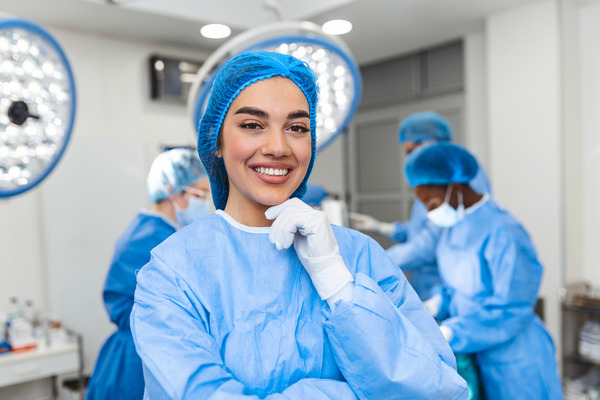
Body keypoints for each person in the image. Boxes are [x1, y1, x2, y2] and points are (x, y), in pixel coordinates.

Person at [129, 51, 468, 399]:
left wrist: (340, 288)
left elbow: (441, 389)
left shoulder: (358, 255)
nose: (278, 147)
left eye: (297, 128)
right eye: (252, 125)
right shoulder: (173, 273)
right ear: (216, 140)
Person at [404, 142, 563, 400]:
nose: (431, 213)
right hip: (480, 353)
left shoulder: (504, 231)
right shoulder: (453, 227)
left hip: (515, 358)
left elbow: (512, 308)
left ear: (454, 188)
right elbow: (461, 288)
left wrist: (451, 332)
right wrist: (435, 304)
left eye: (432, 203)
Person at [86, 148, 211, 400]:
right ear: (173, 191)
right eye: (201, 194)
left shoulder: (152, 230)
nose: (205, 203)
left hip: (142, 347)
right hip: (138, 359)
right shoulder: (155, 240)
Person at [350, 111, 491, 301]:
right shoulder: (433, 178)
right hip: (429, 283)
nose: (410, 158)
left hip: (446, 284)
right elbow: (423, 226)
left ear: (430, 143)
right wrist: (385, 228)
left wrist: (374, 261)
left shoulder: (461, 177)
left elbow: (429, 242)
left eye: (411, 151)